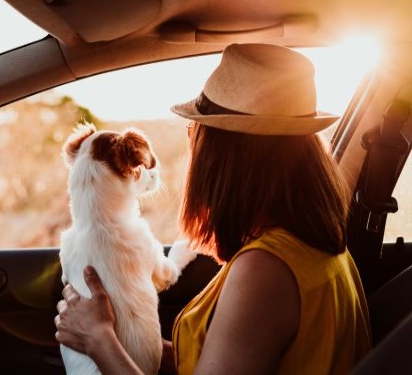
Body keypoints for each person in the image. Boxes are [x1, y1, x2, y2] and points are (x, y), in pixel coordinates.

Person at [55, 43, 372, 374]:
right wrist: (133, 344)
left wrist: (99, 340)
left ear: (222, 156)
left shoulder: (265, 271)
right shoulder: (313, 250)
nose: (192, 142)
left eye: (194, 130)